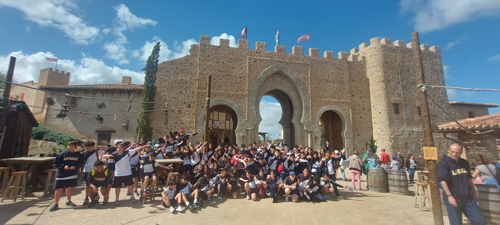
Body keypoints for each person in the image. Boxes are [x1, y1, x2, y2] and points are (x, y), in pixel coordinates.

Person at [438, 143, 486, 225]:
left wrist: (474, 192)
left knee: (480, 221)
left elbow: (469, 178)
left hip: (468, 197)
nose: (454, 154)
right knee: (456, 222)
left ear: (460, 152)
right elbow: (443, 181)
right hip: (454, 196)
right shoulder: (443, 164)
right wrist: (449, 196)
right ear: (448, 151)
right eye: (452, 152)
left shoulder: (464, 163)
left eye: (457, 152)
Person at [50, 140, 84, 212]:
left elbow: (80, 163)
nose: (70, 147)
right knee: (58, 188)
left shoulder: (78, 155)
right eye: (69, 146)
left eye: (72, 146)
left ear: (75, 146)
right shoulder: (62, 154)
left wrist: (75, 166)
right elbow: (55, 164)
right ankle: (55, 203)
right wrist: (63, 166)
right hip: (61, 174)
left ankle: (68, 201)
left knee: (69, 187)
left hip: (72, 174)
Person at [81, 141, 104, 205]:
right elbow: (82, 162)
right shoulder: (84, 153)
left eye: (93, 146)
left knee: (95, 182)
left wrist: (100, 158)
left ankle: (95, 195)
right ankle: (87, 197)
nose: (92, 147)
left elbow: (103, 152)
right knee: (87, 184)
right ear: (87, 147)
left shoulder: (97, 151)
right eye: (91, 146)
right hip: (87, 170)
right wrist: (81, 171)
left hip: (95, 169)